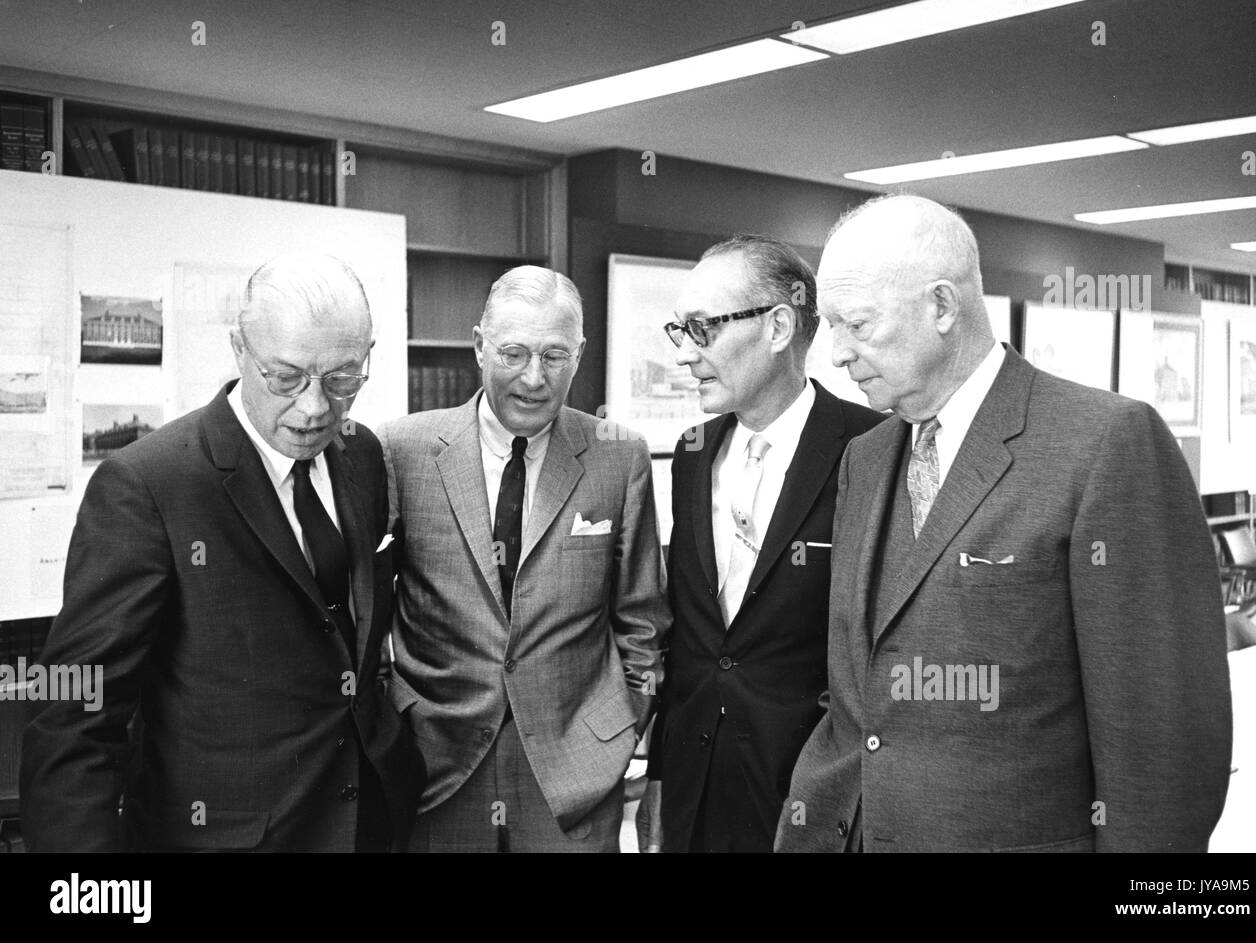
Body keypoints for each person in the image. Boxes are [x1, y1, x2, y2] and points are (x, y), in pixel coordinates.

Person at [776, 195, 1232, 853]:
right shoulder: (865, 459)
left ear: (941, 306)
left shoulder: (1104, 443)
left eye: (858, 324)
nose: (835, 353)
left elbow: (1164, 742)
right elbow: (859, 699)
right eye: (829, 325)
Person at [22, 251, 419, 852]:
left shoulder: (361, 455)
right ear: (239, 349)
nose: (315, 408)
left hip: (370, 822)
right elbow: (75, 716)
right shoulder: (148, 485)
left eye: (342, 379)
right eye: (285, 377)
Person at [380, 265, 668, 852]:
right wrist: (396, 709)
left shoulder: (619, 456)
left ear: (580, 354)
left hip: (575, 772)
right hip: (437, 764)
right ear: (480, 345)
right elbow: (366, 609)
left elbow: (642, 616)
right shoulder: (400, 450)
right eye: (513, 353)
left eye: (555, 356)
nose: (534, 379)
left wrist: (620, 727)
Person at [637, 235, 884, 853]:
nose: (686, 354)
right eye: (680, 331)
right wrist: (662, 779)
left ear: (778, 327)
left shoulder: (873, 450)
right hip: (695, 793)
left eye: (703, 329)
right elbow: (694, 644)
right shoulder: (692, 455)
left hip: (813, 801)